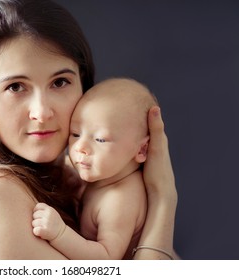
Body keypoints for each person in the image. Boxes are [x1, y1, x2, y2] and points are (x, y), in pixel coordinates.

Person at [0, 0, 178, 260]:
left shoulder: (84, 177)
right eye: (16, 87)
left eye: (60, 82)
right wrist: (162, 198)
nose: (42, 112)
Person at [32, 78, 159, 259]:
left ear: (142, 149)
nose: (80, 147)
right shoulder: (108, 175)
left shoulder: (120, 199)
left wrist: (60, 234)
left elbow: (105, 259)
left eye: (100, 139)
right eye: (75, 134)